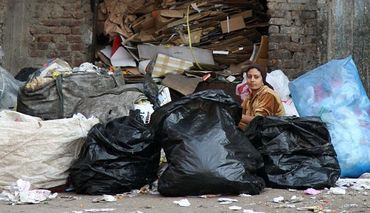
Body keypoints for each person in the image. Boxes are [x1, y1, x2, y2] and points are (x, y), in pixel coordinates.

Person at [238, 64, 285, 129]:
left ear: (262, 79)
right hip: (255, 130)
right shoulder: (250, 96)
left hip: (273, 133)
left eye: (256, 77)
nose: (252, 80)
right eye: (249, 77)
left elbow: (259, 121)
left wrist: (237, 116)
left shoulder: (268, 94)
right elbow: (241, 111)